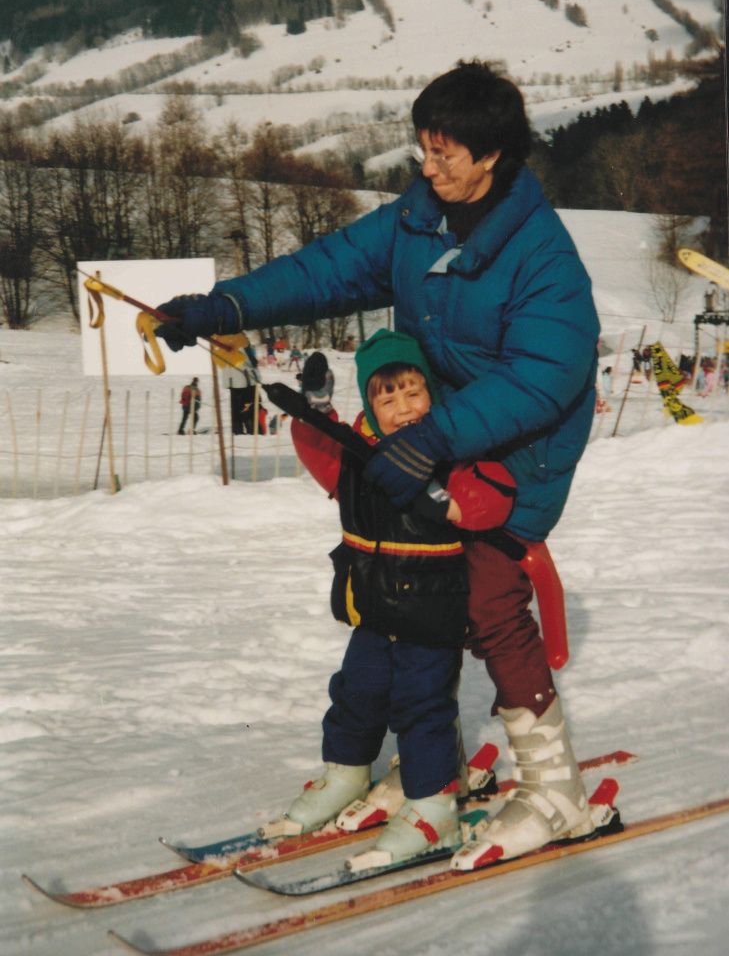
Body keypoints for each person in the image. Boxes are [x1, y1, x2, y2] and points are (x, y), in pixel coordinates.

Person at [153, 60, 601, 868]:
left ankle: (554, 788)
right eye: (421, 150)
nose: (425, 167)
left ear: (492, 155)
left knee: (488, 600)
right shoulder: (420, 218)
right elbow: (326, 270)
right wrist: (228, 305)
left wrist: (432, 438)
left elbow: (544, 376)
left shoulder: (542, 258)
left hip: (517, 450)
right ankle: (430, 762)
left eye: (444, 154)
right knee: (399, 590)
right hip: (427, 432)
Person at [267, 329, 516, 865]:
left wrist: (445, 503)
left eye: (414, 393)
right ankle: (346, 774)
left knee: (422, 709)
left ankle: (433, 809)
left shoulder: (452, 448)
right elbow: (319, 448)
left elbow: (493, 494)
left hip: (432, 616)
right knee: (356, 693)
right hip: (374, 612)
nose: (404, 409)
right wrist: (313, 410)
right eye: (388, 397)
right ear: (371, 406)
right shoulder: (357, 458)